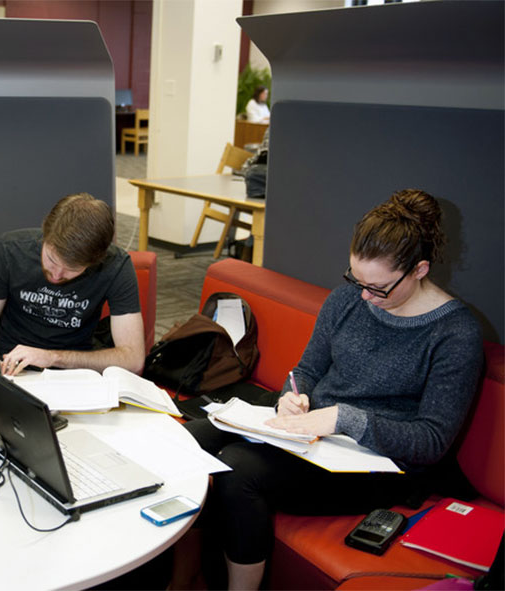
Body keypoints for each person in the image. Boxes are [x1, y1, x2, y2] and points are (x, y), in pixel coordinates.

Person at [183, 189, 483, 590]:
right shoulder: (347, 300)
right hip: (315, 432)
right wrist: (296, 393)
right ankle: (180, 578)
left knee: (238, 467)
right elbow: (307, 368)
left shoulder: (454, 333)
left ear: (420, 269)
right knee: (189, 438)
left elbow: (431, 441)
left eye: (378, 288)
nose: (364, 296)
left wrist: (344, 418)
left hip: (379, 462)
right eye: (355, 279)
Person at [0, 193, 144, 376]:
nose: (57, 275)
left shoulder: (116, 266)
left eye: (72, 268)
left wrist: (52, 358)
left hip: (72, 371)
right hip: (8, 365)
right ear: (45, 235)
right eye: (51, 259)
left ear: (96, 261)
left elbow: (133, 359)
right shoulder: (9, 251)